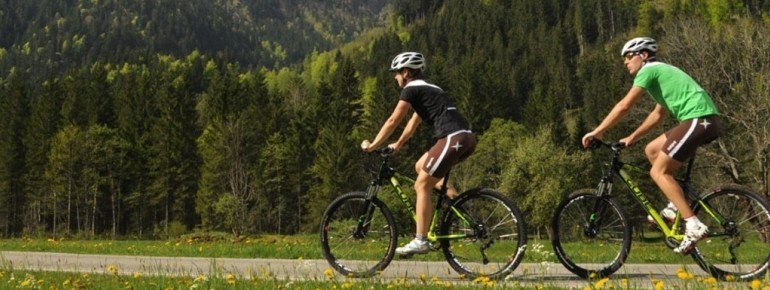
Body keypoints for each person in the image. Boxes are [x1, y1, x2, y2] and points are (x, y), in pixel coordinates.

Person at [581, 37, 722, 254]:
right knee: (652, 150)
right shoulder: (661, 76)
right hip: (702, 121)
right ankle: (675, 205)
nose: (625, 62)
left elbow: (624, 106)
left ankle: (692, 224)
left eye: (629, 56)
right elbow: (657, 114)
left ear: (643, 55)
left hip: (699, 119)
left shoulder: (649, 70)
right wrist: (632, 137)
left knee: (658, 172)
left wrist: (597, 132)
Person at [361, 52, 477, 255]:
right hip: (466, 138)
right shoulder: (430, 89)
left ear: (406, 72)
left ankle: (421, 239)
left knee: (421, 184)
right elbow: (413, 123)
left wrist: (372, 145)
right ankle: (457, 205)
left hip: (453, 138)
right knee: (420, 166)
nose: (395, 77)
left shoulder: (411, 89)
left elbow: (393, 121)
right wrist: (397, 144)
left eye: (397, 73)